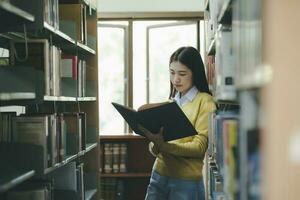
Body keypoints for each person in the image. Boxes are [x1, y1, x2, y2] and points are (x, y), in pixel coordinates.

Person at [138, 46, 216, 200]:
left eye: (182, 74)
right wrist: (155, 143)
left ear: (195, 73)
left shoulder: (205, 102)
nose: (176, 80)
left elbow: (199, 148)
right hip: (158, 175)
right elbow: (156, 150)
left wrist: (164, 146)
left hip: (185, 183)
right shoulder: (170, 103)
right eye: (172, 73)